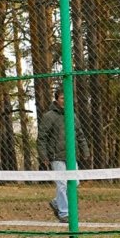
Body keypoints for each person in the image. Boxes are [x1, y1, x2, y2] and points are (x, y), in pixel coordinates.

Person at [37, 87, 90, 224]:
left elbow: (80, 135)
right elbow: (42, 138)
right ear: (56, 99)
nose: (65, 101)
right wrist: (44, 156)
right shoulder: (49, 116)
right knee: (62, 184)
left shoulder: (72, 115)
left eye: (67, 98)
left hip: (71, 156)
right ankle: (64, 213)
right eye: (62, 98)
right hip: (56, 156)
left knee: (75, 183)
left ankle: (56, 202)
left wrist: (85, 151)